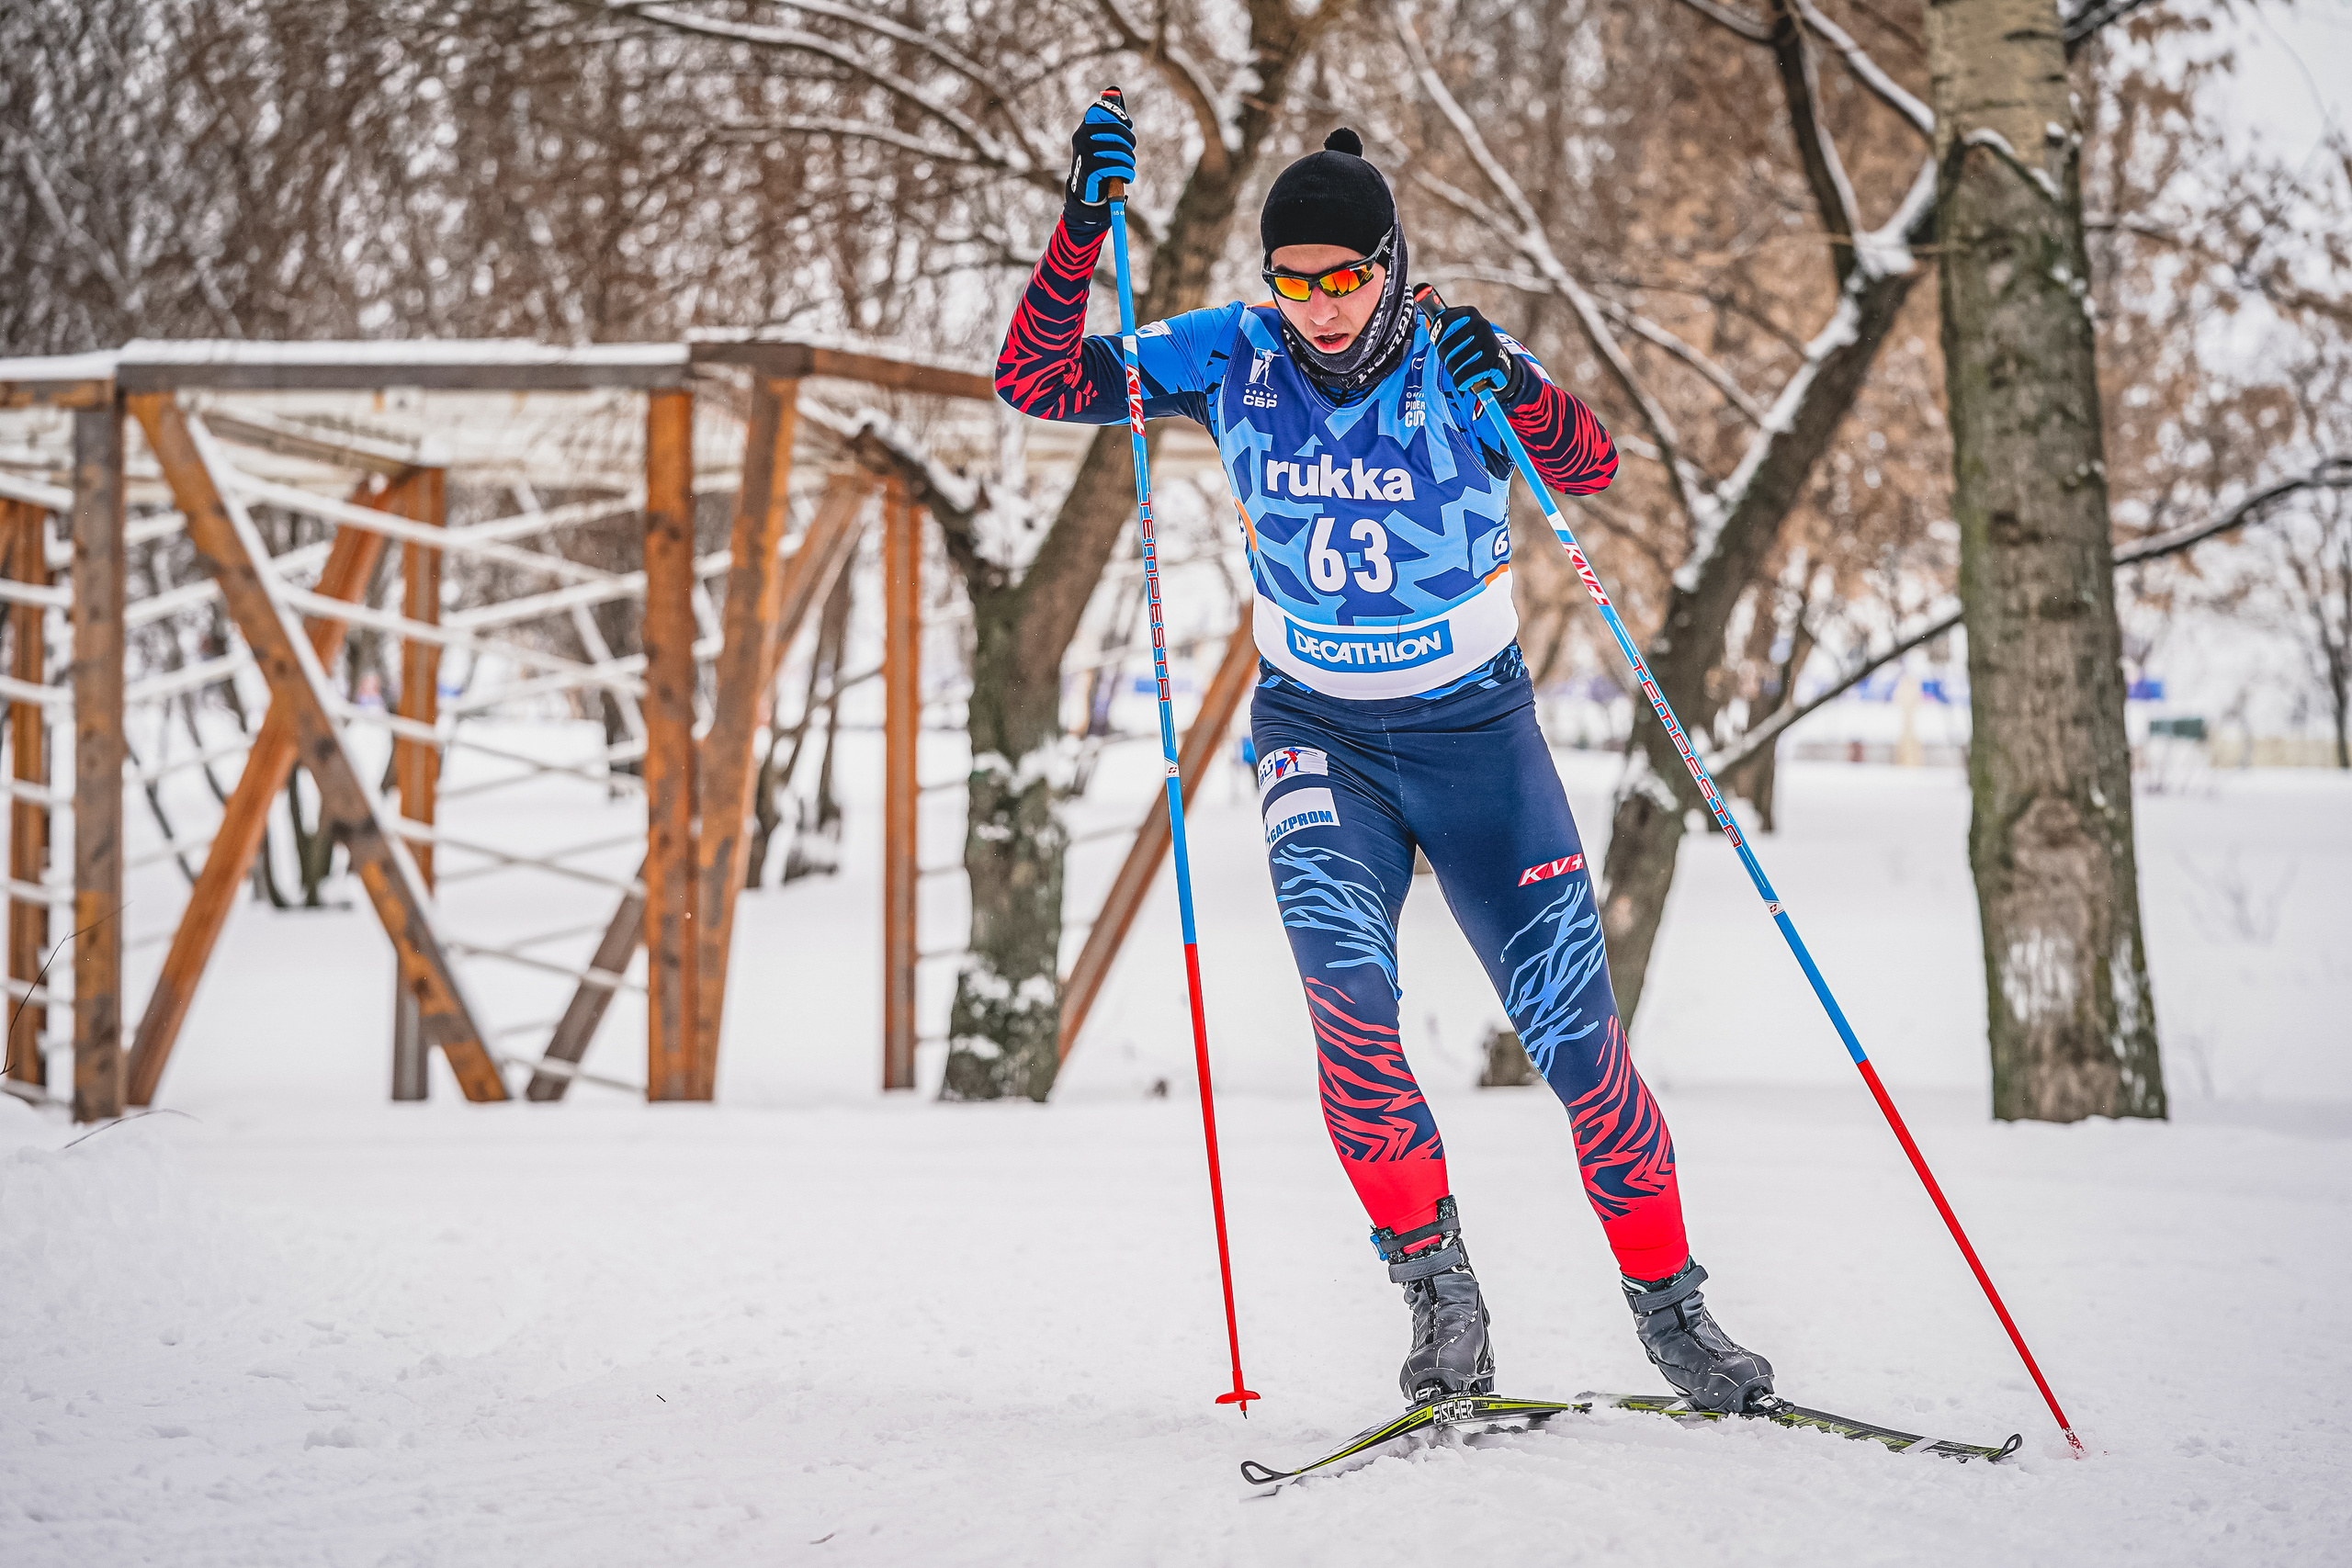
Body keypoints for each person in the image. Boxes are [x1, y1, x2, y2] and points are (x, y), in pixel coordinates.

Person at [997, 95, 1774, 1414]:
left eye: (1342, 277)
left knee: (1579, 1043)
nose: (1318, 305)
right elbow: (1040, 379)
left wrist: (1519, 387)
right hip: (1319, 739)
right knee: (1353, 1025)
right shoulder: (1228, 353)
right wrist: (1082, 229)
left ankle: (1674, 1314)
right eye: (1293, 280)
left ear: (1389, 264)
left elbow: (1590, 468)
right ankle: (1440, 1297)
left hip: (1478, 741)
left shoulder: (1453, 355)